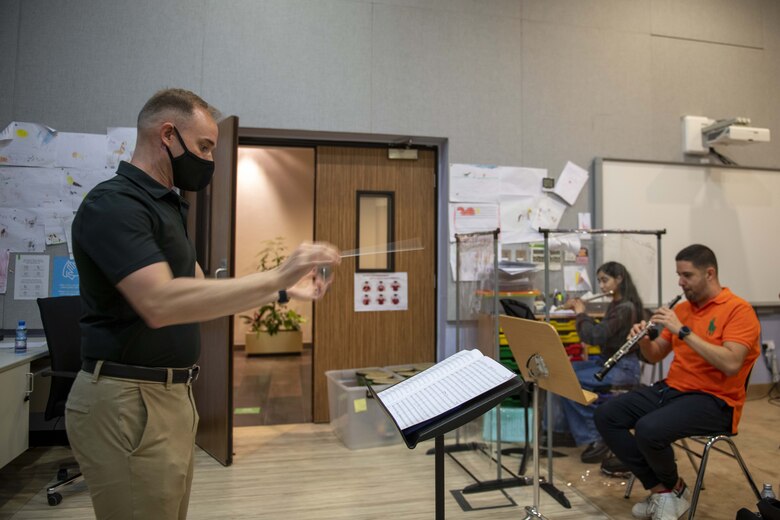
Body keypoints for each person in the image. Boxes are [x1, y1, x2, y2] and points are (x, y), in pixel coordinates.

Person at [65, 88, 341, 519]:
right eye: (204, 146)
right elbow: (159, 302)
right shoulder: (114, 204)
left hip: (170, 396)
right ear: (167, 135)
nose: (210, 160)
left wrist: (285, 291)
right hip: (128, 400)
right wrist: (278, 274)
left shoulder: (168, 207)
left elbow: (201, 295)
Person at [594, 244, 760, 520]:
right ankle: (665, 490)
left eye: (687, 275)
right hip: (673, 390)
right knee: (607, 414)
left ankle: (669, 492)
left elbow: (731, 364)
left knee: (649, 429)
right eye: (678, 275)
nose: (681, 282)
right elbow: (655, 354)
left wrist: (682, 331)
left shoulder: (738, 310)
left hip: (716, 401)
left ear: (709, 274)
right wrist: (642, 340)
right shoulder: (683, 309)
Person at [556, 261, 644, 463]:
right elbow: (604, 333)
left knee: (569, 381)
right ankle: (567, 431)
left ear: (619, 279)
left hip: (623, 368)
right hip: (609, 362)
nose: (602, 286)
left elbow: (595, 336)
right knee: (562, 371)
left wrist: (581, 313)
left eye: (605, 280)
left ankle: (597, 436)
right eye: (599, 281)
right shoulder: (616, 305)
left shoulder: (626, 307)